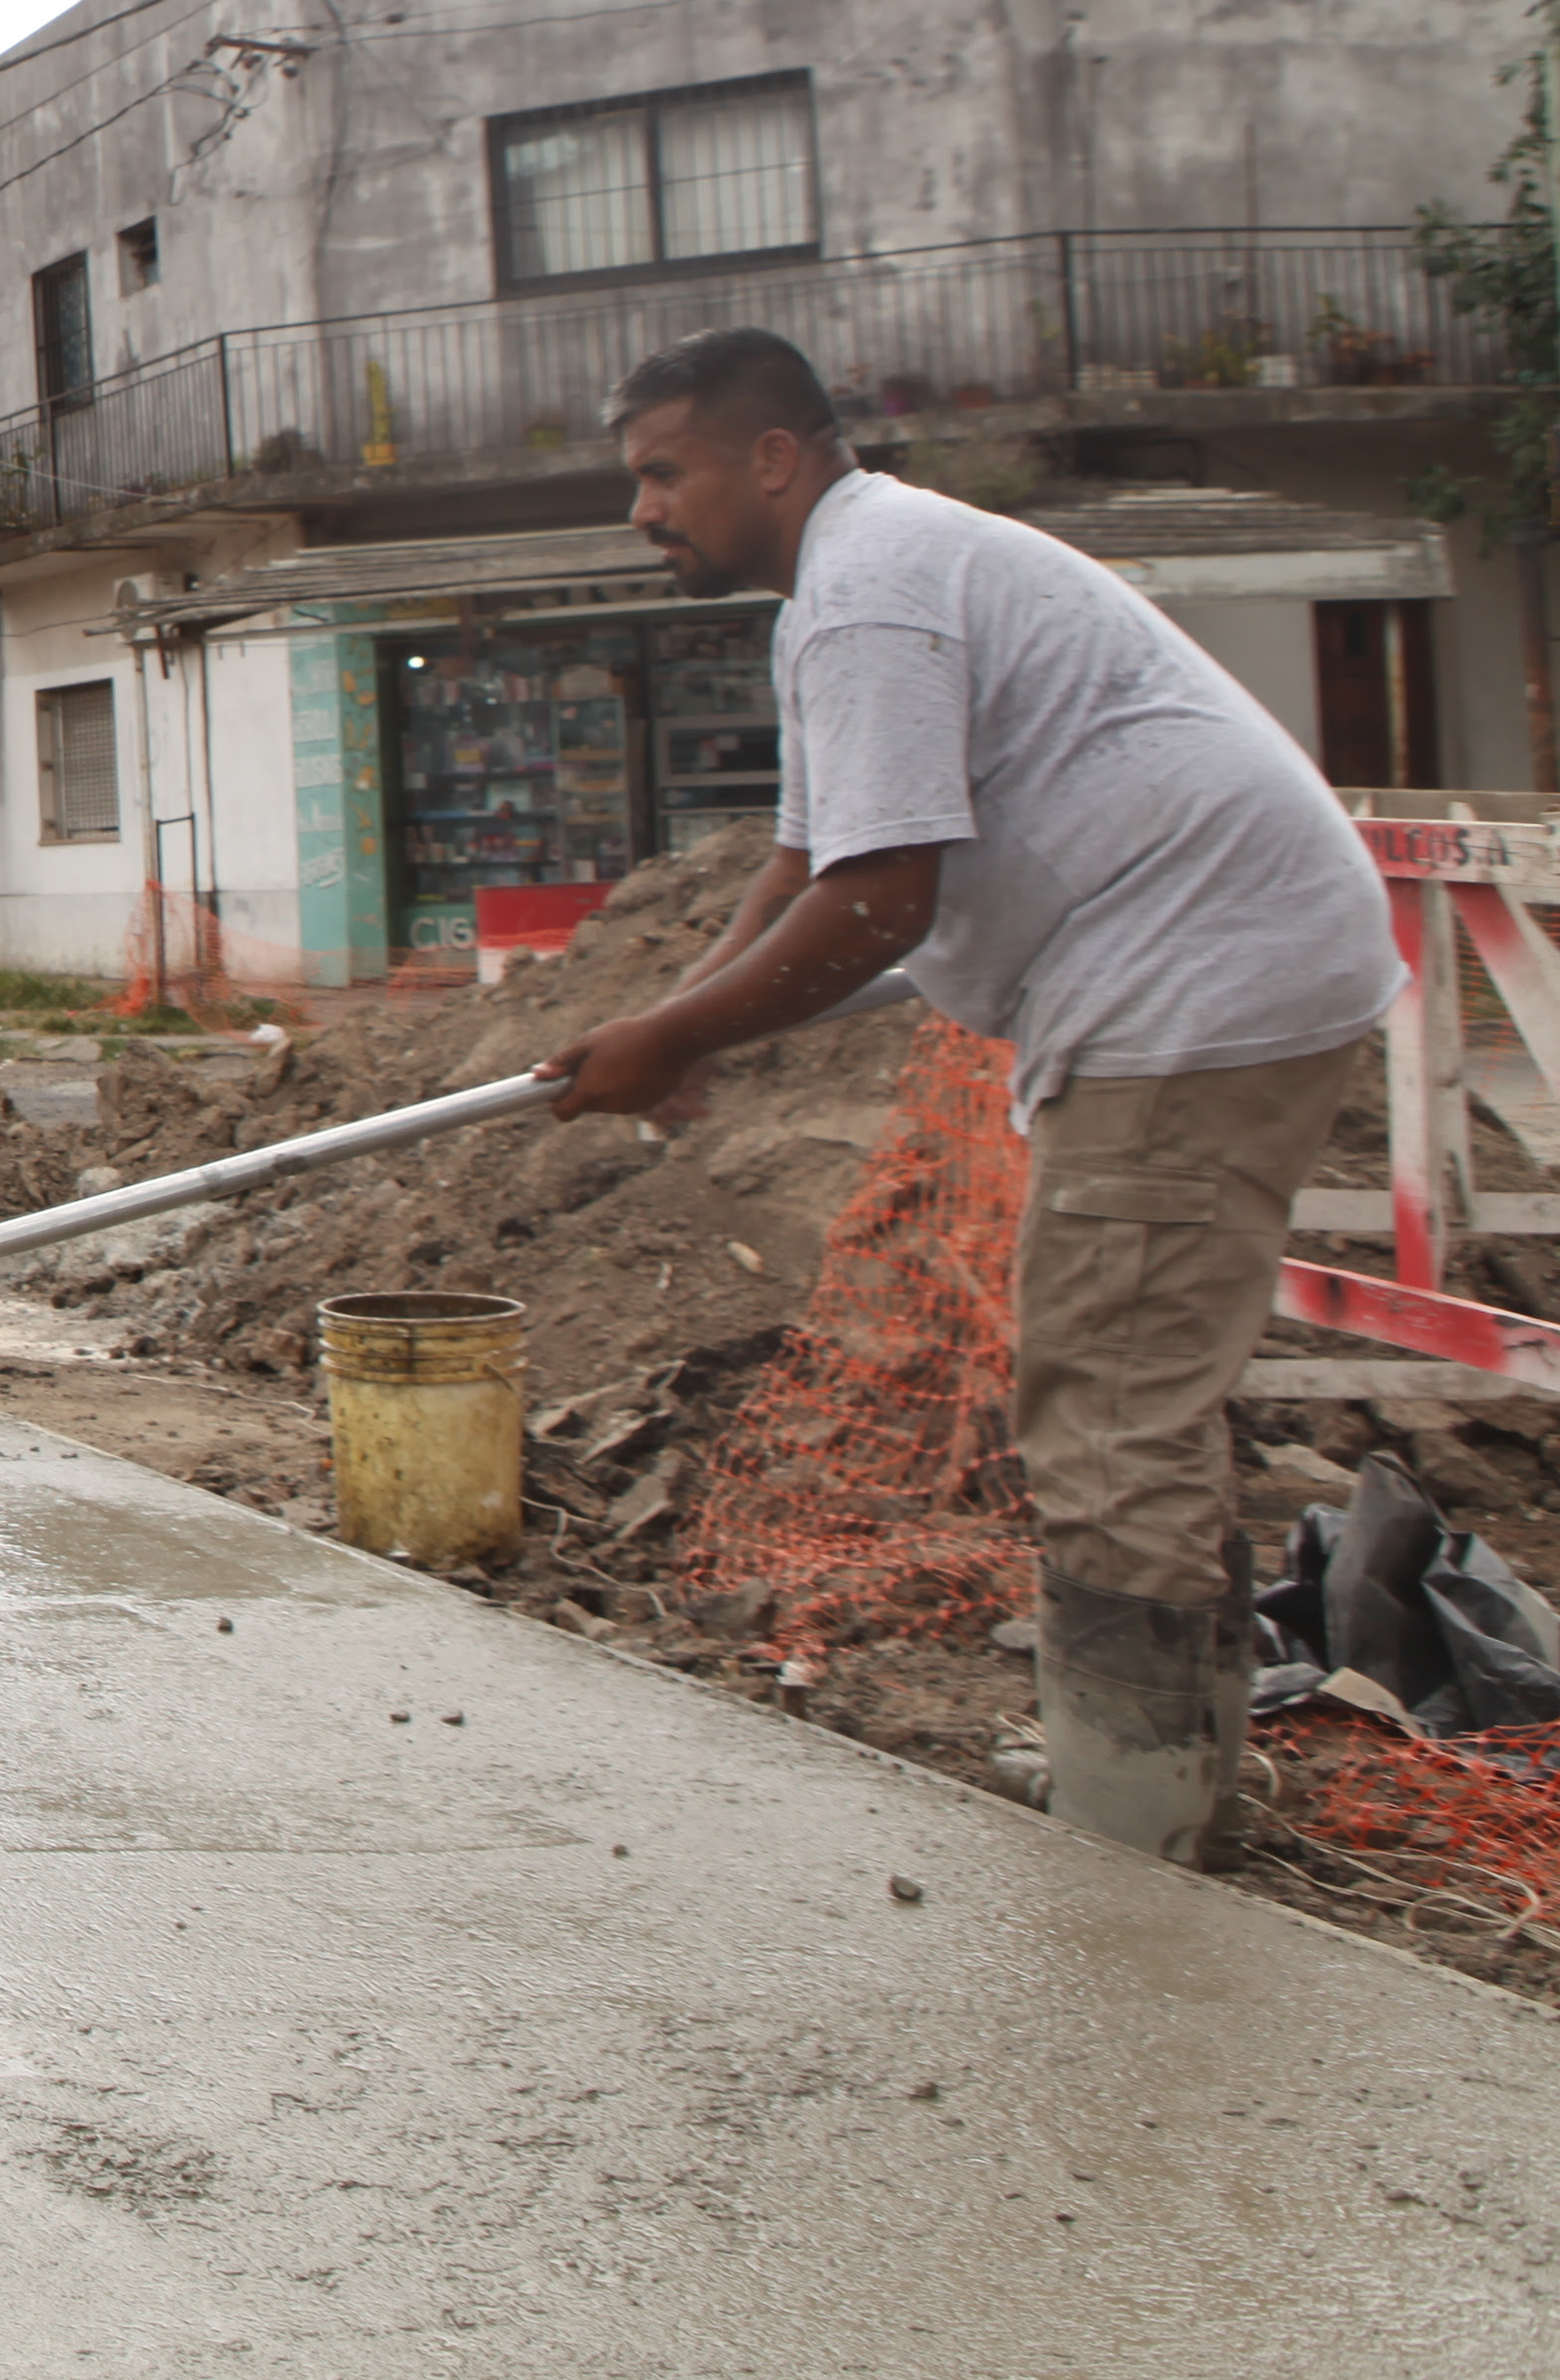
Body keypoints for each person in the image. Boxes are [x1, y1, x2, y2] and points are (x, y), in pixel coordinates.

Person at [535, 327, 1399, 1865]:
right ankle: (1165, 1765)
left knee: (1110, 1410)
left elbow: (883, 900)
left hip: (1196, 991)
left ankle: (1137, 1833)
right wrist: (684, 1022)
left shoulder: (871, 593)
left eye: (666, 472)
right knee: (1124, 1397)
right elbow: (806, 860)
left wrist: (670, 1044)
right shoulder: (858, 582)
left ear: (774, 458)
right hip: (1198, 977)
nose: (643, 508)